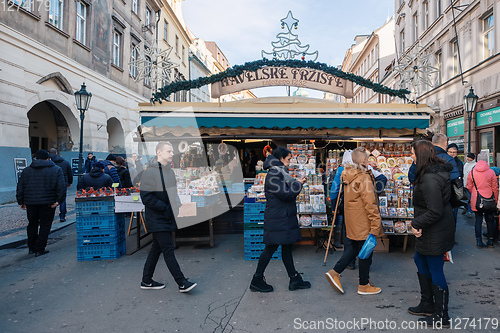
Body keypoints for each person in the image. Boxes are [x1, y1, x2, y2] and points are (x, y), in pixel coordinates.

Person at [407, 140, 455, 328]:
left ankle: (442, 315)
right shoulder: (429, 172)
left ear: (421, 155)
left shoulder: (429, 179)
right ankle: (427, 303)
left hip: (435, 229)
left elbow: (435, 211)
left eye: (412, 153)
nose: (410, 156)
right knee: (420, 260)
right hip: (432, 229)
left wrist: (415, 223)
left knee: (435, 268)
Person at [249, 147, 311, 293]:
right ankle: (257, 279)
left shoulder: (280, 172)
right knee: (271, 248)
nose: (290, 162)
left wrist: (296, 183)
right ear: (281, 159)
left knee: (287, 247)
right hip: (279, 218)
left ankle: (294, 278)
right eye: (288, 159)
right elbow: (286, 194)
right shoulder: (274, 174)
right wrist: (299, 184)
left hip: (283, 217)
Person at [325, 147, 385, 295]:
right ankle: (362, 284)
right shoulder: (363, 177)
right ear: (364, 160)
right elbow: (370, 204)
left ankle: (337, 273)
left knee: (355, 249)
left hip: (352, 219)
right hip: (363, 220)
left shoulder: (348, 175)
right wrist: (376, 224)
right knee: (365, 251)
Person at [140, 142, 197, 293]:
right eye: (169, 151)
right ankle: (182, 282)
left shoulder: (169, 172)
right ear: (159, 152)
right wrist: (165, 207)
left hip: (167, 216)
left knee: (156, 249)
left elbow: (173, 192)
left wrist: (177, 206)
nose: (172, 154)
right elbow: (146, 197)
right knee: (168, 249)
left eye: (172, 151)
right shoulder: (149, 172)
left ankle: (146, 280)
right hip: (157, 217)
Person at [16, 149, 66, 257]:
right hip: (48, 203)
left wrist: (21, 201)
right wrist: (59, 201)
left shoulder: (27, 170)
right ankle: (40, 249)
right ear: (48, 158)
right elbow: (61, 187)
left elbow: (20, 186)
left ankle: (31, 247)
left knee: (32, 225)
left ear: (36, 158)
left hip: (31, 203)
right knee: (45, 225)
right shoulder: (56, 170)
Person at [466, 153, 498, 248]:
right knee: (490, 220)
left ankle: (479, 241)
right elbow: (495, 188)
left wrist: (475, 193)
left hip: (477, 200)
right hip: (489, 200)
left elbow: (469, 186)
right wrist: (495, 200)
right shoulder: (491, 172)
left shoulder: (472, 172)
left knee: (478, 220)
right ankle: (490, 240)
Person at [49, 148, 73, 222]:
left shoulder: (49, 162)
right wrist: (69, 182)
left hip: (51, 183)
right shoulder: (65, 162)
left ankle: (50, 216)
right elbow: (70, 174)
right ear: (56, 153)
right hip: (63, 183)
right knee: (62, 199)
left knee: (51, 199)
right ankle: (62, 215)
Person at [463, 153, 476, 217]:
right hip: (464, 183)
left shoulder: (474, 165)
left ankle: (470, 211)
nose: (467, 158)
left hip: (470, 185)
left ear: (472, 158)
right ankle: (466, 208)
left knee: (470, 198)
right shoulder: (466, 164)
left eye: (469, 157)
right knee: (465, 197)